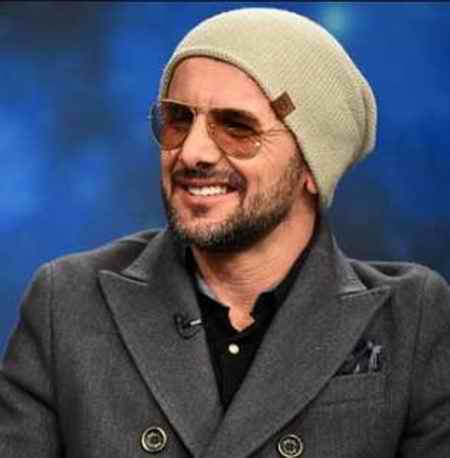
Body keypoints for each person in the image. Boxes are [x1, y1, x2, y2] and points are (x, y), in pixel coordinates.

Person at [1, 7, 449, 458]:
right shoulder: (67, 301)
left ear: (313, 169)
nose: (191, 152)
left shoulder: (412, 318)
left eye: (236, 127)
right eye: (178, 120)